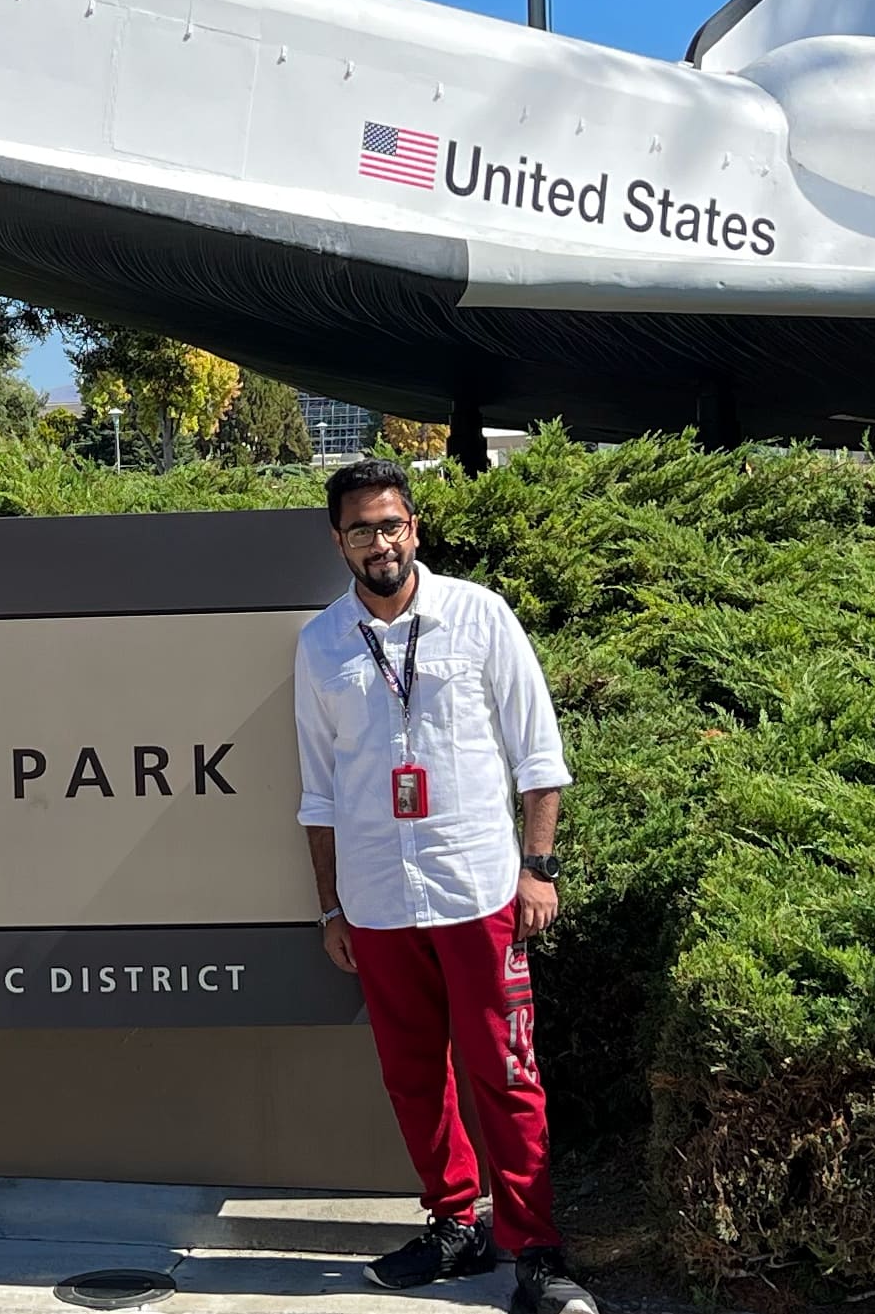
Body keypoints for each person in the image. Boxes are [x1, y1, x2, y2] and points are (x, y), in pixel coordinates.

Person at [294, 458, 594, 1314]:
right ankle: (455, 1223)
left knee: (505, 1071)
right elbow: (317, 792)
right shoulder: (319, 645)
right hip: (379, 901)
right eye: (360, 529)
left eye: (390, 524)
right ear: (338, 540)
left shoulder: (477, 615)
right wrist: (330, 905)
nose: (378, 542)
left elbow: (539, 756)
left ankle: (534, 1247)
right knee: (412, 1075)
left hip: (477, 888)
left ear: (413, 528)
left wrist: (537, 869)